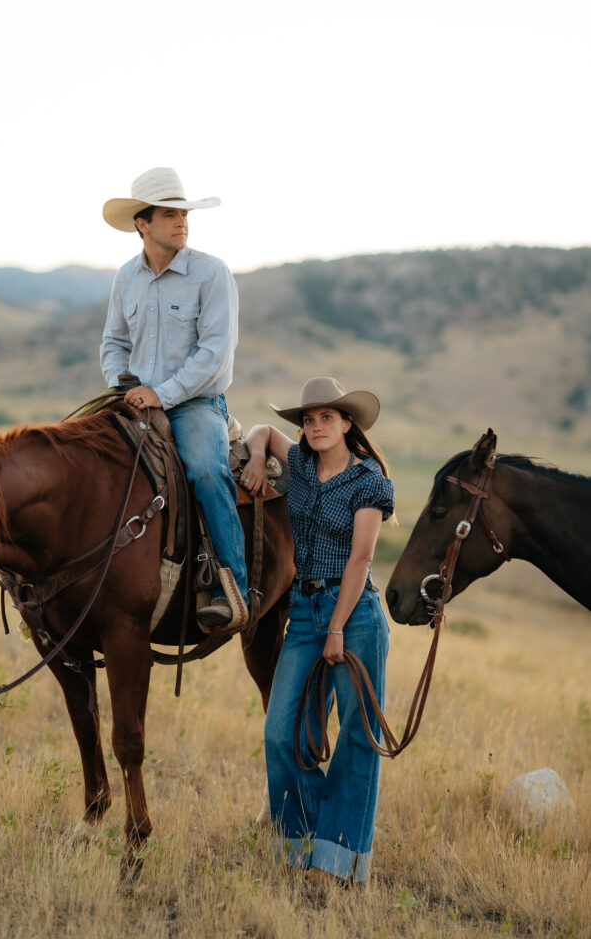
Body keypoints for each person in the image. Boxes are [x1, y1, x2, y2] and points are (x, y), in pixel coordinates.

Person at [243, 376, 394, 885]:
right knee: (283, 732)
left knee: (356, 735)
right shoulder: (303, 465)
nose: (315, 426)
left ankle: (337, 863)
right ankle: (300, 847)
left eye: (326, 417)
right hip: (305, 610)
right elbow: (264, 430)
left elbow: (362, 558)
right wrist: (257, 453)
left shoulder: (369, 480)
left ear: (348, 423)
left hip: (353, 614)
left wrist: (336, 628)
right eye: (308, 420)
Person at [100, 166, 247, 629]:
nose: (182, 222)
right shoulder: (127, 278)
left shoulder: (211, 274)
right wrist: (122, 386)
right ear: (142, 224)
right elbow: (113, 343)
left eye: (183, 214)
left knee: (205, 470)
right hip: (135, 399)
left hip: (196, 403)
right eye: (169, 215)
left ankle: (234, 588)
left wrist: (159, 394)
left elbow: (215, 354)